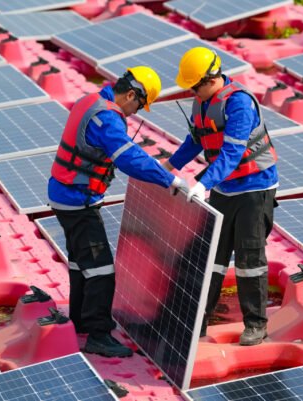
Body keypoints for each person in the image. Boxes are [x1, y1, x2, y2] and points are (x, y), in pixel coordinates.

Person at [48, 66, 188, 358]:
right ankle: (99, 335)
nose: (136, 112)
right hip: (77, 201)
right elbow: (129, 158)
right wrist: (170, 179)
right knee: (101, 269)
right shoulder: (106, 118)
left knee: (80, 261)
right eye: (139, 105)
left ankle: (82, 319)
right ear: (131, 94)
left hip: (65, 195)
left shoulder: (90, 100)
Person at [162, 48, 278, 346]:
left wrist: (202, 181)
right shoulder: (201, 102)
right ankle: (197, 321)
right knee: (211, 257)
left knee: (249, 260)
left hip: (254, 190)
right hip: (224, 189)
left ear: (211, 78)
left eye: (195, 86)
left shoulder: (239, 103)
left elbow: (232, 152)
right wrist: (170, 166)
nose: (192, 91)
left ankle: (256, 324)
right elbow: (195, 140)